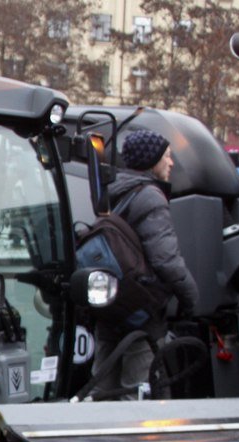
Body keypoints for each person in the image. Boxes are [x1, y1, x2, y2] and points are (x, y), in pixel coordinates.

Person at [91, 129, 199, 400]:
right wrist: (191, 299)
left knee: (103, 389)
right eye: (167, 157)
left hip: (112, 305)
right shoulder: (150, 197)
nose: (171, 164)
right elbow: (166, 259)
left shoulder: (111, 193)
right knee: (140, 392)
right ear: (152, 161)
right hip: (141, 310)